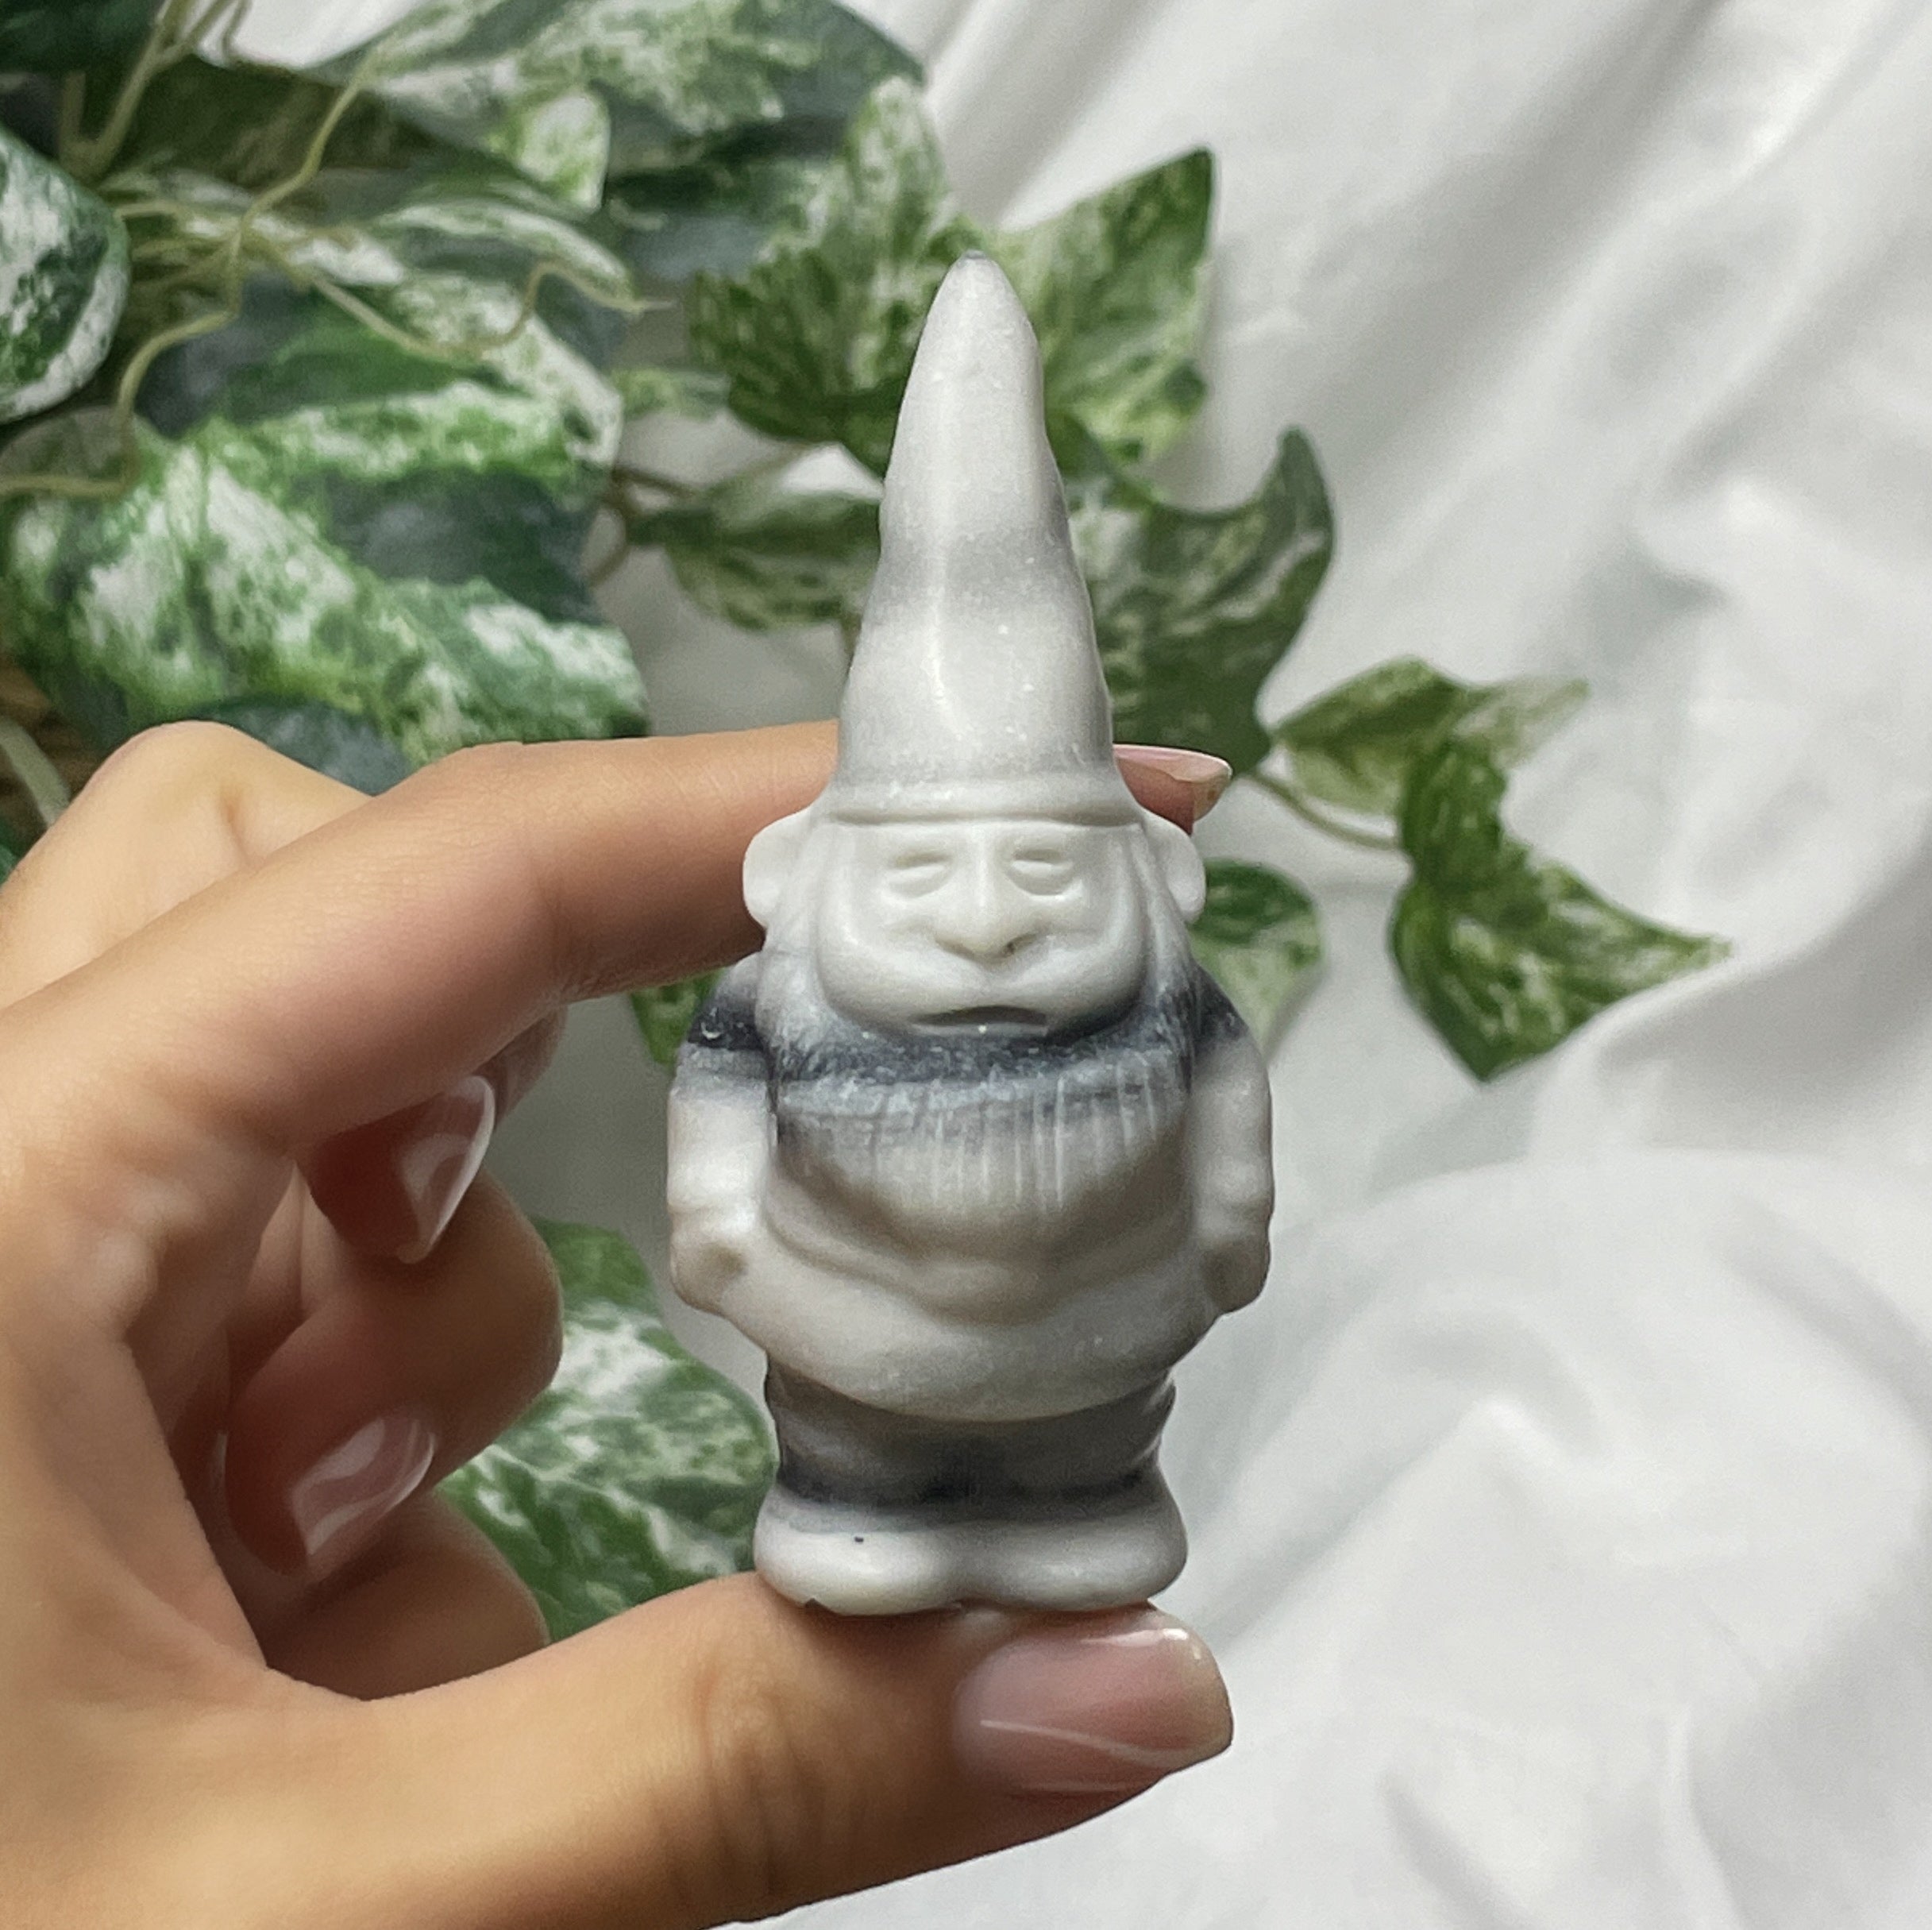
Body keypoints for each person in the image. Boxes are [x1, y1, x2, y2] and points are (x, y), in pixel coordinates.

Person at [0, 715, 1236, 1927]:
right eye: (915, 873)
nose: (984, 921)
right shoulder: (774, 999)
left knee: (1084, 1446)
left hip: (1099, 1347)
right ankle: (857, 1507)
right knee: (858, 1444)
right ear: (797, 873)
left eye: (1045, 870)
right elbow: (719, 1127)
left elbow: (1228, 1126)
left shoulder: (1172, 1006)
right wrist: (719, 1225)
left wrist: (1226, 1214)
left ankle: (1086, 1503)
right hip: (852, 1348)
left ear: (1153, 874)